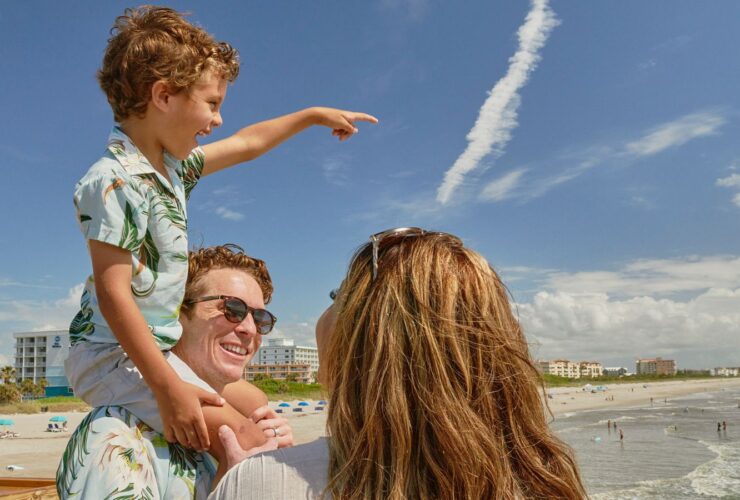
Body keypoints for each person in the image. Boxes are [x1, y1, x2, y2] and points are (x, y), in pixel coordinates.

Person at [65, 4, 377, 461]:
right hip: (112, 357)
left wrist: (311, 115)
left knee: (252, 401)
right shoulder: (114, 180)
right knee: (244, 437)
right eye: (212, 103)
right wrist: (168, 387)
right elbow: (114, 296)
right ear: (164, 96)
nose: (217, 120)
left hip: (155, 351)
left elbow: (248, 144)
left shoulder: (171, 170)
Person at [210, 228, 587, 499]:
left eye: (336, 294)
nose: (249, 330)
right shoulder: (544, 481)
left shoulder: (260, 484)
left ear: (362, 338)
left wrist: (236, 479)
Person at [58, 245, 292, 498]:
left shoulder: (246, 418)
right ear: (177, 316)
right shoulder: (118, 437)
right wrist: (231, 489)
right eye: (232, 310)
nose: (250, 329)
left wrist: (277, 451)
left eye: (260, 318)